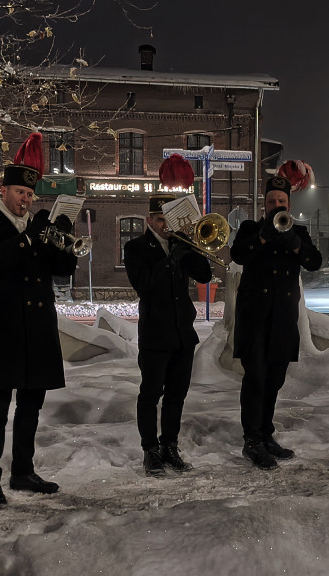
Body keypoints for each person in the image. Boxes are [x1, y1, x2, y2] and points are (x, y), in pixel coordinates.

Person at [0, 132, 78, 509]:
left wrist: (63, 238)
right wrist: (32, 236)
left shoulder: (39, 229)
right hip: (2, 331)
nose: (26, 200)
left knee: (31, 407)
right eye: (20, 193)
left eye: (30, 195)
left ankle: (23, 471)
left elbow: (63, 271)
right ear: (4, 190)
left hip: (38, 330)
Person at [124, 156, 213, 477]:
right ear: (149, 220)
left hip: (182, 334)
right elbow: (144, 287)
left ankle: (170, 446)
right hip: (155, 335)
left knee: (177, 395)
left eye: (168, 219)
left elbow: (204, 276)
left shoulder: (182, 244)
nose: (165, 225)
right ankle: (150, 450)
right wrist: (168, 261)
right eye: (160, 220)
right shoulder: (136, 249)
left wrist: (193, 249)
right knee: (150, 394)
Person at [230, 163, 322, 470]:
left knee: (275, 379)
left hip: (283, 320)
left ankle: (266, 433)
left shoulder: (298, 232)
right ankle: (252, 440)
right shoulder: (250, 230)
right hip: (255, 318)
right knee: (255, 377)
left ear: (289, 205)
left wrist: (293, 242)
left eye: (281, 202)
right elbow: (239, 255)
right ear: (264, 204)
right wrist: (266, 236)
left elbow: (314, 262)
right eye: (271, 202)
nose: (276, 206)